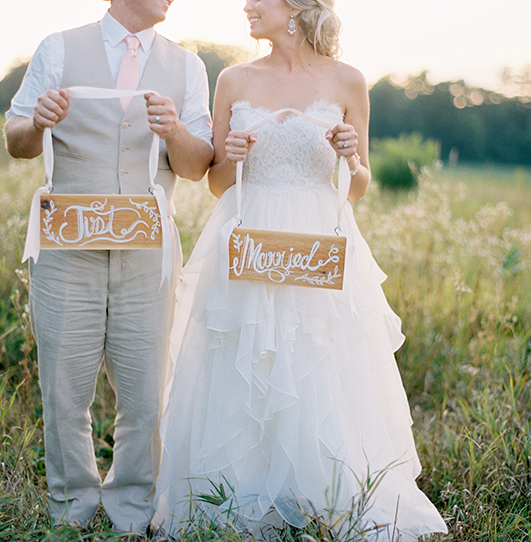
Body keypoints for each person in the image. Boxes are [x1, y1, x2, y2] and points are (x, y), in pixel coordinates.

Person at [153, 0, 448, 539]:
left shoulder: (348, 81)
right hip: (249, 237)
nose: (246, 6)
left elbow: (357, 189)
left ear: (293, 7)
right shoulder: (234, 79)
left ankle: (322, 498)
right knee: (245, 360)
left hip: (318, 240)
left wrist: (350, 158)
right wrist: (233, 156)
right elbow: (218, 184)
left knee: (317, 363)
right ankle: (237, 500)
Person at [3, 0, 213, 532]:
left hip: (148, 252)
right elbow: (16, 141)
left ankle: (130, 508)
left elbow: (195, 166)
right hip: (67, 247)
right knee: (65, 388)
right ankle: (71, 508)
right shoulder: (58, 48)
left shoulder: (188, 66)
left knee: (145, 393)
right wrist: (39, 123)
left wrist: (173, 132)